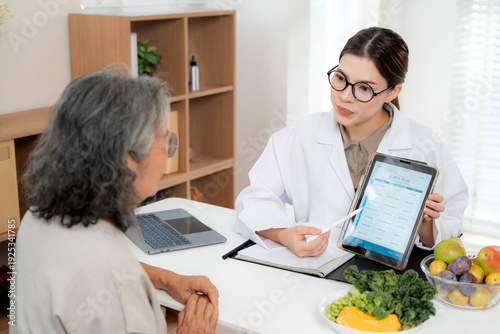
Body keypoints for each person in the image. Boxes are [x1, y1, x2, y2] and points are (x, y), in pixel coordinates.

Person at [13, 69, 219, 333]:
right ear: (127, 158)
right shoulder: (119, 292)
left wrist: (169, 280)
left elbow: (98, 269)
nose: (169, 151)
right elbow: (108, 274)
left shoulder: (37, 215)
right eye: (165, 139)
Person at [235, 27, 468, 258]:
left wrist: (423, 223)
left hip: (389, 279)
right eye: (340, 78)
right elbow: (254, 200)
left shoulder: (424, 144)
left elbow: (449, 236)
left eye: (364, 88)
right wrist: (285, 234)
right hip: (315, 267)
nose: (345, 96)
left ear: (392, 92)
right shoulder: (300, 135)